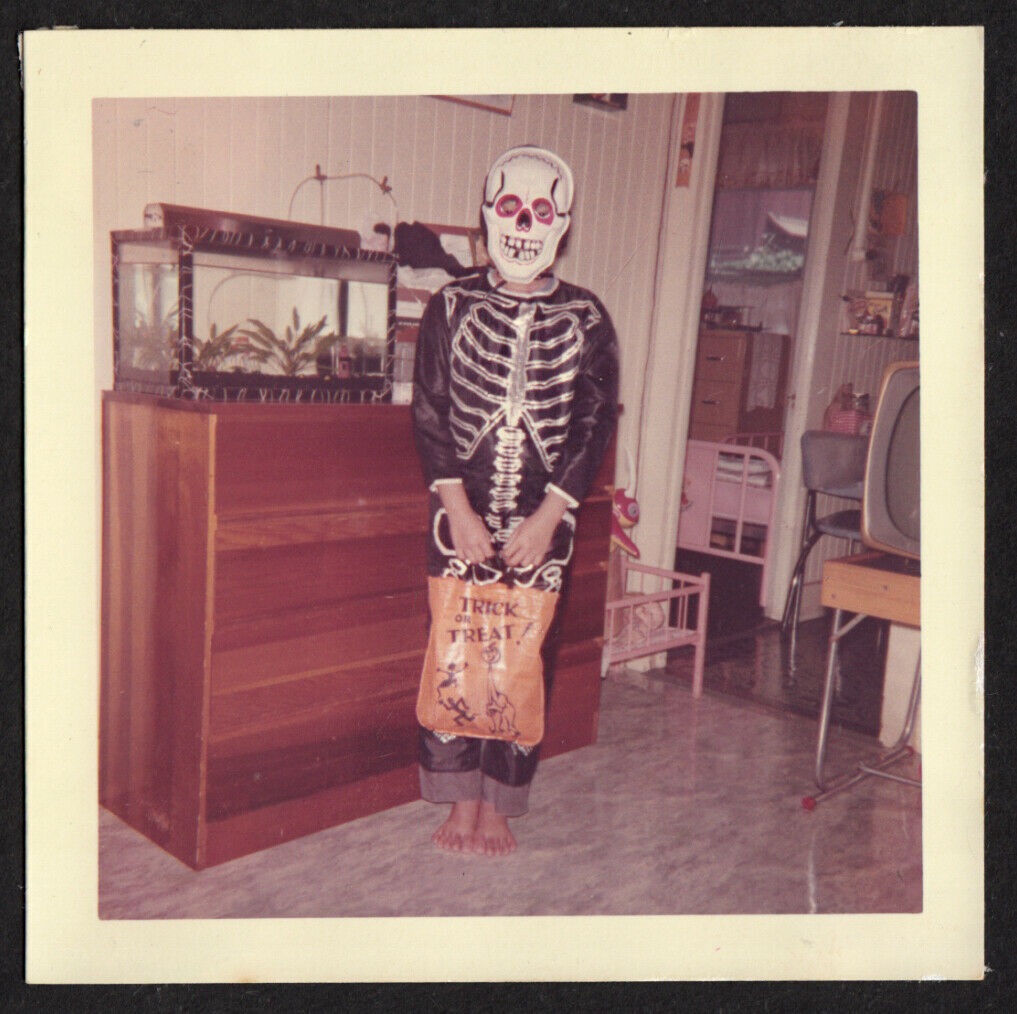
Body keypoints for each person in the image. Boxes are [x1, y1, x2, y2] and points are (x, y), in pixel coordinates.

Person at [411, 145, 618, 856]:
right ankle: (458, 796)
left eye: (539, 211)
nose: (523, 224)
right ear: (484, 216)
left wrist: (551, 512)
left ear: (561, 223)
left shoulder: (587, 318)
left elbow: (594, 423)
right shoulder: (450, 304)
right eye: (509, 208)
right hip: (458, 513)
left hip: (542, 518)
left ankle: (498, 802)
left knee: (521, 660)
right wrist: (459, 511)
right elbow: (431, 410)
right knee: (456, 651)